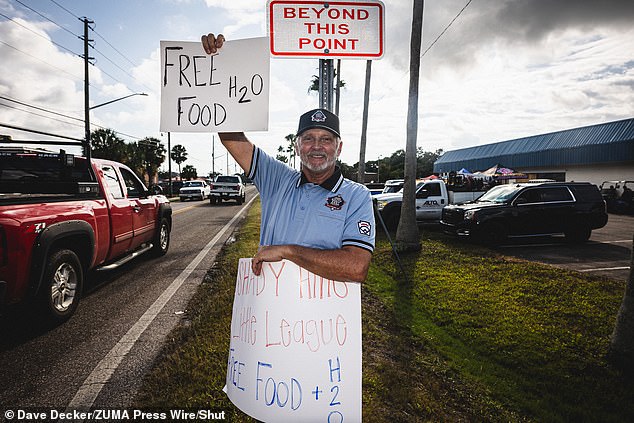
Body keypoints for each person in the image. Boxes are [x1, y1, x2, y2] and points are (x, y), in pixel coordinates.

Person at [201, 33, 375, 283]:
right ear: (297, 147)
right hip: (271, 310)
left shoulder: (357, 195)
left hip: (325, 318)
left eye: (326, 139)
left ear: (339, 149)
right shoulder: (277, 179)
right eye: (308, 138)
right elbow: (231, 137)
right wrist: (219, 64)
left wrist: (288, 251)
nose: (316, 146)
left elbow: (356, 267)